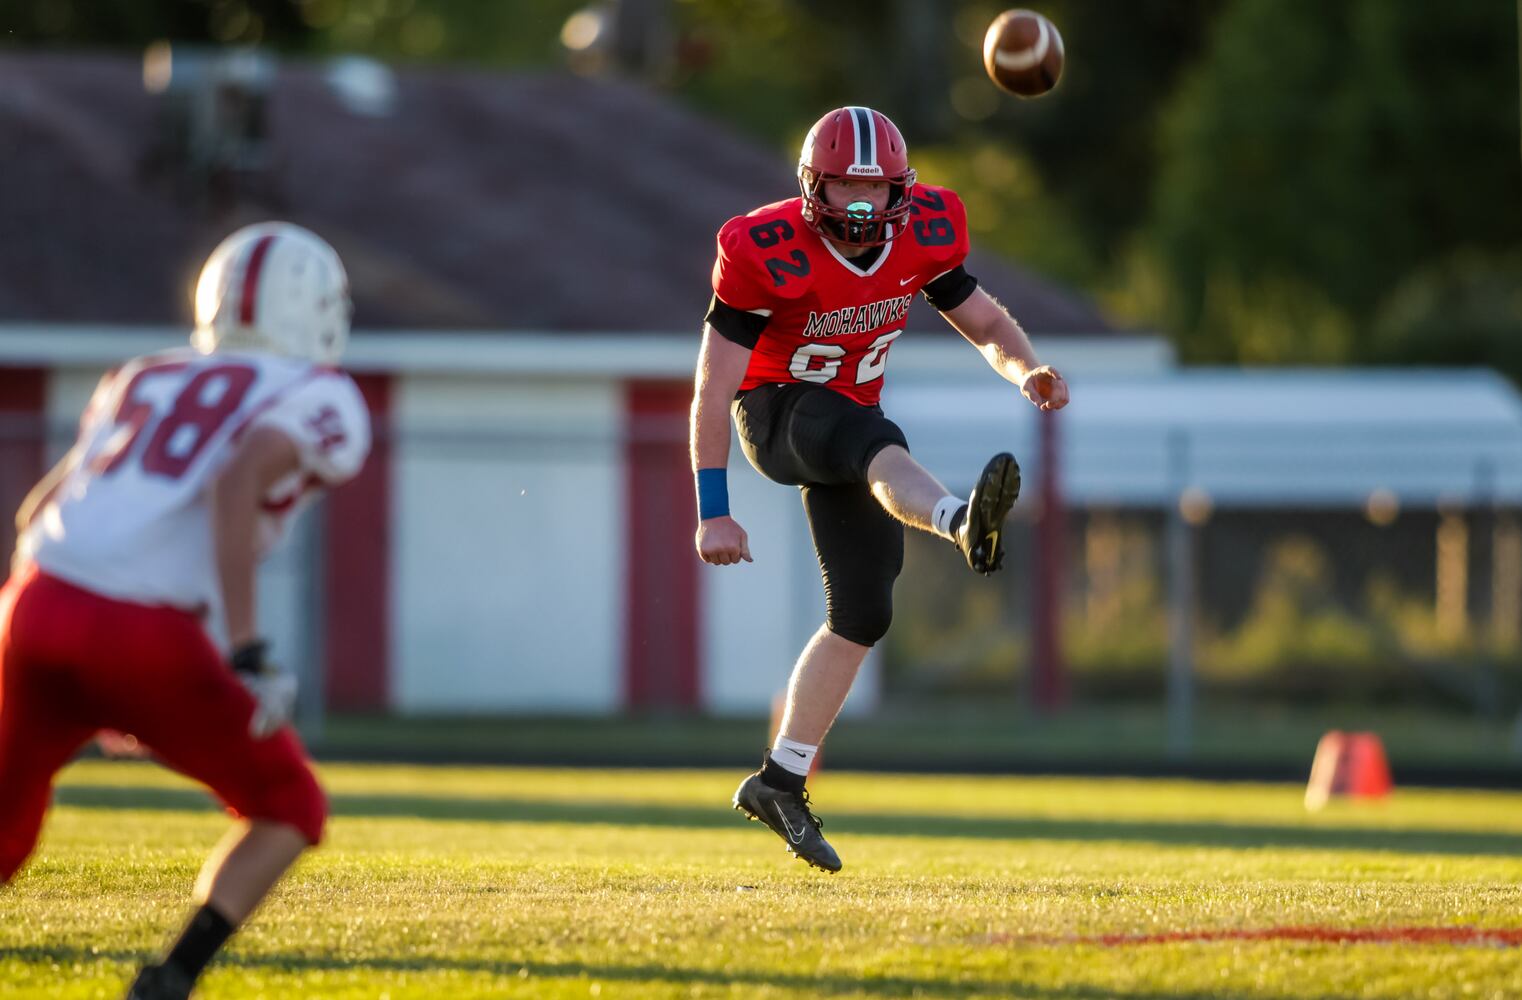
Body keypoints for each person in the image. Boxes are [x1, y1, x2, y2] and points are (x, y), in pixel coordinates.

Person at [690, 106, 1070, 872]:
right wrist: (714, 510)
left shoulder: (927, 229)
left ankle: (781, 780)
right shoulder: (760, 248)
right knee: (871, 438)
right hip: (774, 415)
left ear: (903, 188)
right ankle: (962, 520)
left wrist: (1025, 367)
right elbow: (711, 384)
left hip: (850, 424)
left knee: (864, 610)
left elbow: (987, 321)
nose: (861, 210)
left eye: (875, 192)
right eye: (844, 193)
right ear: (810, 188)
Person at [0, 223, 372, 999]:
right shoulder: (319, 391)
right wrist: (245, 649)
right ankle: (169, 980)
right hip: (143, 632)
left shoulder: (144, 374)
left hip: (35, 602)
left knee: (6, 824)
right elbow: (236, 485)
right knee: (288, 803)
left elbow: (38, 509)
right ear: (316, 308)